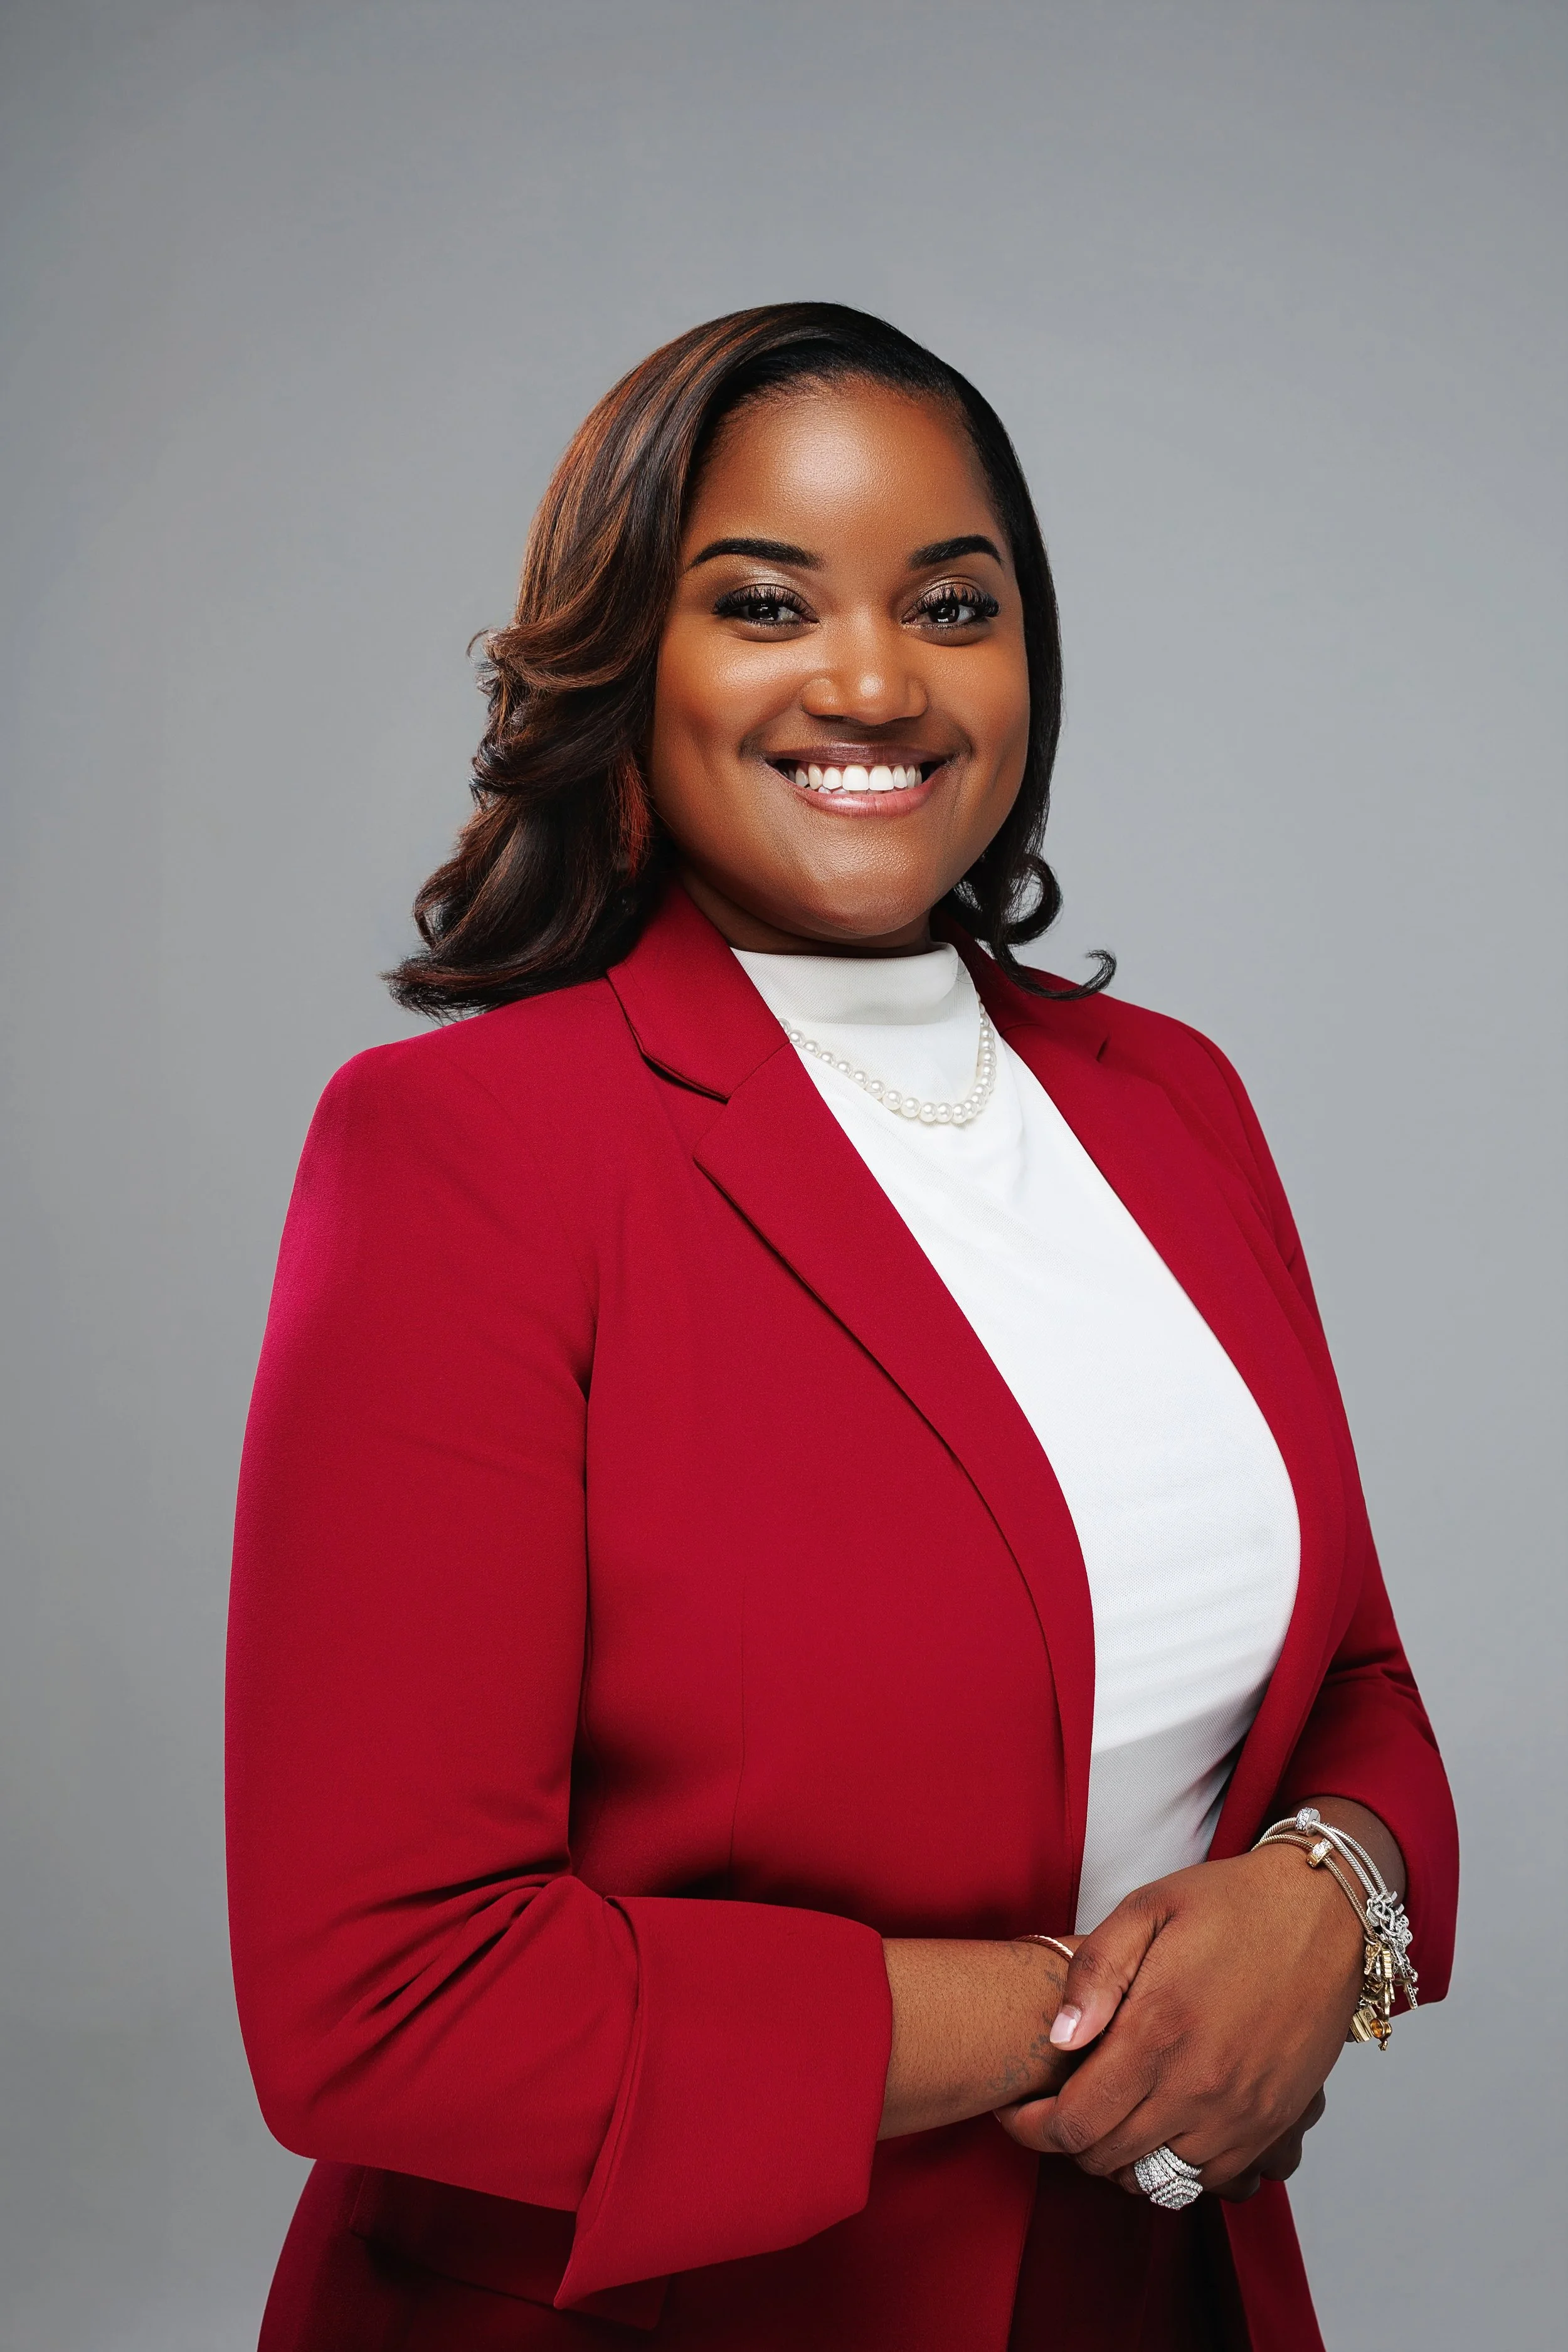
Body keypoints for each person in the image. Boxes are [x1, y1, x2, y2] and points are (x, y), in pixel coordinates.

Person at [227, 304, 1458, 2352]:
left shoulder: (1171, 1102)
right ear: (630, 662)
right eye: (765, 601)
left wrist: (1330, 1902)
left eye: (950, 604)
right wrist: (1077, 2012)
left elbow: (1355, 1681)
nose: (874, 677)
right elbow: (387, 1996)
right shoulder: (465, 1153)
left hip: (1155, 2291)